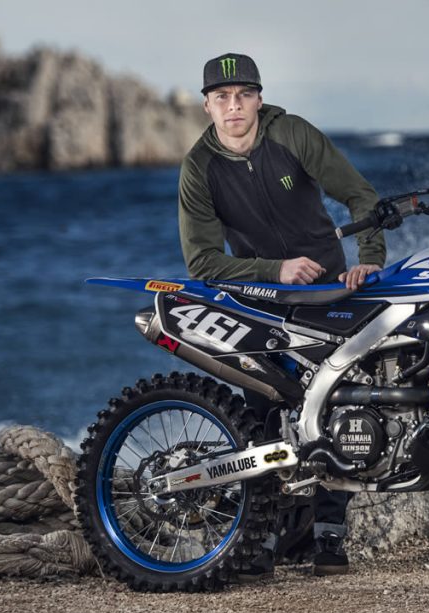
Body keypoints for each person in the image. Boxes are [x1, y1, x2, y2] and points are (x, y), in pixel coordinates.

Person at [177, 53, 385, 577]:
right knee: (265, 412)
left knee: (336, 403)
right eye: (222, 98)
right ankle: (263, 537)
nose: (234, 106)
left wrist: (370, 260)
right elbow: (202, 262)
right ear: (207, 107)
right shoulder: (199, 168)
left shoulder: (292, 134)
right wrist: (275, 270)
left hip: (330, 292)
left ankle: (329, 535)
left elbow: (360, 195)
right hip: (259, 300)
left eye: (243, 95)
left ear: (259, 99)